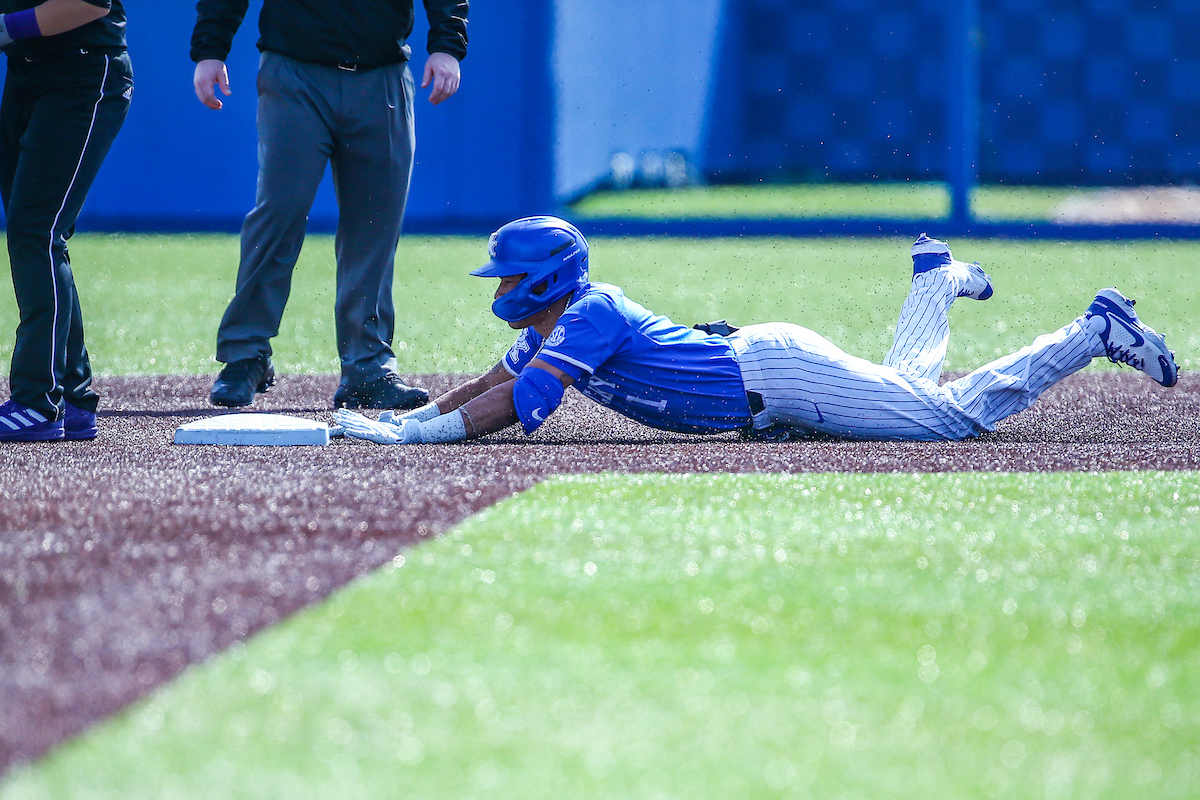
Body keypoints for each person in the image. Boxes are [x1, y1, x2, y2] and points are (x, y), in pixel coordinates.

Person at [333, 216, 1179, 446]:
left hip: (779, 375)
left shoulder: (587, 312)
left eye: (509, 276)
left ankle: (1091, 331)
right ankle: (935, 283)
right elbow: (489, 384)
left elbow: (520, 403)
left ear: (547, 279)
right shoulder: (559, 318)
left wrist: (420, 440)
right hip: (769, 380)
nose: (500, 289)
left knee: (951, 420)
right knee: (911, 394)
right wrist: (410, 419)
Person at [190, 0, 467, 409]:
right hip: (294, 71)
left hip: (382, 74)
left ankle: (368, 368)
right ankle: (245, 353)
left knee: (374, 226)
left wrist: (447, 44)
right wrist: (210, 49)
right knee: (279, 211)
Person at [0, 0, 131, 443]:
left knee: (36, 231)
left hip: (82, 72)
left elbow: (89, 3)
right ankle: (72, 397)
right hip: (25, 72)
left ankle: (38, 401)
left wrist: (6, 26)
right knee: (35, 233)